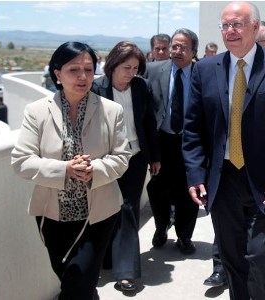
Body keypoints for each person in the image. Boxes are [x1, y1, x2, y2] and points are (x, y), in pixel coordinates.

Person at [182, 2, 265, 300]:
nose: (230, 31)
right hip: (223, 182)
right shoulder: (205, 69)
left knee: (259, 254)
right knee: (232, 256)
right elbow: (193, 127)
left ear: (254, 27)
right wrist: (195, 173)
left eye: (236, 24)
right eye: (225, 26)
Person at [11, 41, 131, 300]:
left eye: (89, 69)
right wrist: (65, 169)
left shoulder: (111, 111)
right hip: (52, 216)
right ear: (57, 73)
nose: (83, 76)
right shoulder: (37, 112)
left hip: (98, 215)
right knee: (71, 278)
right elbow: (21, 161)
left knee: (78, 283)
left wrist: (94, 170)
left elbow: (122, 157)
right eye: (74, 69)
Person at [91, 41, 161, 292]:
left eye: (135, 68)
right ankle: (108, 259)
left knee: (128, 209)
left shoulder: (141, 87)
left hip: (136, 156)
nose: (131, 73)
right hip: (106, 160)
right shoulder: (96, 87)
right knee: (107, 209)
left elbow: (149, 123)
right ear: (112, 65)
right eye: (126, 67)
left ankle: (127, 271)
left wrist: (154, 157)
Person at [144, 28, 200, 254]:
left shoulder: (202, 73)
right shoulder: (153, 70)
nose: (177, 51)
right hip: (162, 141)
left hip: (192, 142)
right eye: (174, 46)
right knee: (158, 189)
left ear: (193, 51)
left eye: (183, 47)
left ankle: (184, 237)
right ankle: (160, 227)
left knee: (190, 191)